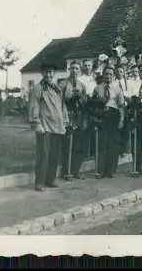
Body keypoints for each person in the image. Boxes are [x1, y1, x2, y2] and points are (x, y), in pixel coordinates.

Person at [28, 62, 69, 191]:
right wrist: (37, 123)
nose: (49, 75)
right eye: (47, 72)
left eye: (51, 72)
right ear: (42, 73)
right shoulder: (39, 88)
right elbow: (34, 106)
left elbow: (62, 106)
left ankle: (50, 179)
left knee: (54, 155)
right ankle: (39, 182)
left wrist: (65, 120)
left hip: (57, 126)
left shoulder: (57, 88)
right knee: (43, 155)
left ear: (54, 74)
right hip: (45, 127)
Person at [91, 66, 125, 178]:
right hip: (102, 116)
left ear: (113, 75)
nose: (108, 76)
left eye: (110, 74)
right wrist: (96, 117)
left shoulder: (118, 88)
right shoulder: (97, 88)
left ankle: (111, 170)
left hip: (114, 116)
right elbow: (94, 105)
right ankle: (101, 170)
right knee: (102, 143)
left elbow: (121, 106)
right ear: (103, 75)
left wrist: (121, 120)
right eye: (106, 74)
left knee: (113, 144)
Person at [60, 61, 87, 180]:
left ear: (79, 70)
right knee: (67, 145)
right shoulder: (63, 84)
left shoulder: (82, 85)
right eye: (72, 68)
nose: (74, 71)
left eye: (77, 68)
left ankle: (76, 170)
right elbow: (60, 102)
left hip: (78, 117)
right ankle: (66, 171)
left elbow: (85, 102)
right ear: (69, 70)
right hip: (67, 116)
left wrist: (80, 97)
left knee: (78, 145)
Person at [115, 65, 131, 157]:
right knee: (118, 128)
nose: (119, 73)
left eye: (121, 71)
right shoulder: (114, 83)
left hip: (126, 107)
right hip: (118, 107)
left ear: (124, 73)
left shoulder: (127, 82)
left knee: (126, 128)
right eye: (117, 71)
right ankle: (119, 150)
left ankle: (125, 149)